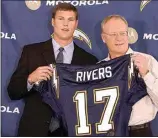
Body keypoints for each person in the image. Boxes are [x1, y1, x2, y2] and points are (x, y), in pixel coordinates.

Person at [7, 3, 98, 137]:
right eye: (61, 19)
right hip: (34, 130)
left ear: (76, 24)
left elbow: (92, 103)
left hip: (71, 132)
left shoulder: (89, 60)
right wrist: (30, 79)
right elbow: (12, 91)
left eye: (70, 19)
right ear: (53, 22)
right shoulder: (31, 52)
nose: (65, 24)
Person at [100, 14, 158, 137]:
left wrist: (146, 74)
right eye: (113, 34)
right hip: (109, 133)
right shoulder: (99, 68)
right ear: (103, 37)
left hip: (140, 132)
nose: (119, 38)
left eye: (123, 33)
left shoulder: (147, 61)